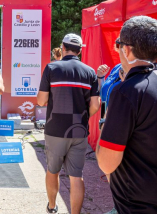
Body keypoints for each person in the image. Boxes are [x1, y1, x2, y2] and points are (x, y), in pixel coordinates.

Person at [96, 16, 157, 214]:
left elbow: (106, 162)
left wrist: (105, 122)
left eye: (118, 45)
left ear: (127, 49)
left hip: (139, 204)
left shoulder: (127, 91)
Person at [37, 33, 100, 214]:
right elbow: (95, 105)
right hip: (79, 130)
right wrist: (84, 116)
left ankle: (51, 207)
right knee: (76, 176)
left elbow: (41, 101)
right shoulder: (90, 72)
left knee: (52, 170)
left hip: (55, 129)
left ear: (63, 47)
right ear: (79, 51)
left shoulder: (51, 68)